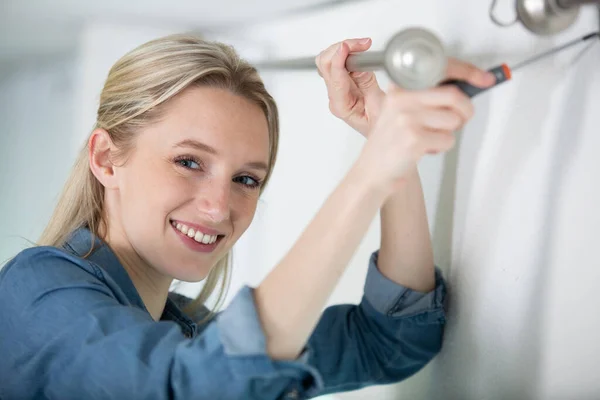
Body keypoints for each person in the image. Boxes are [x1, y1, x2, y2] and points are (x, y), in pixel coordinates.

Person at [0, 34, 495, 399]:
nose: (219, 207)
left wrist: (393, 160)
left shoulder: (185, 328)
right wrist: (368, 175)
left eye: (246, 179)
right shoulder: (34, 290)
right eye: (189, 162)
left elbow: (390, 342)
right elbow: (194, 388)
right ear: (107, 159)